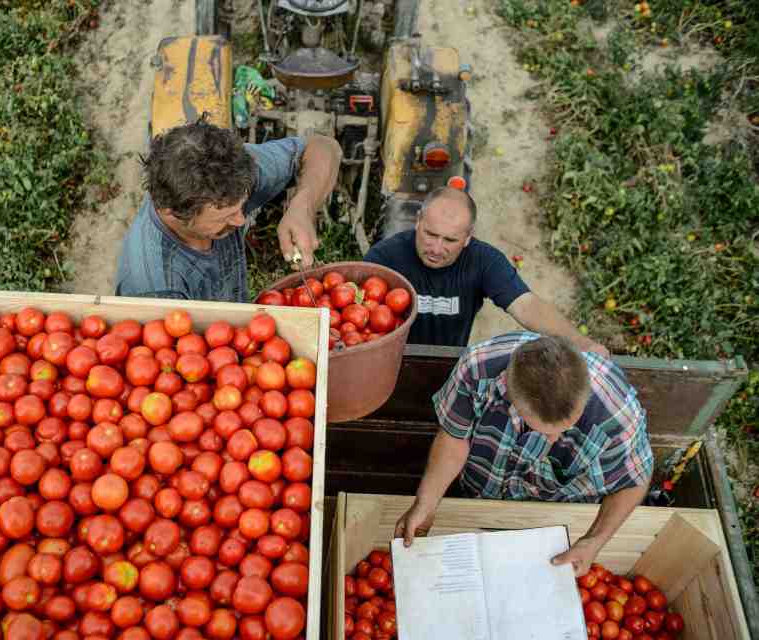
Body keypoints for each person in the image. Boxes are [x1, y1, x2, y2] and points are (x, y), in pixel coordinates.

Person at [394, 332, 653, 576]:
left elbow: (634, 480)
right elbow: (454, 437)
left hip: (557, 518)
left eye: (566, 428)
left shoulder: (618, 411)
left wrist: (593, 540)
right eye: (541, 430)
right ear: (510, 392)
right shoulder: (477, 368)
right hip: (479, 497)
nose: (554, 440)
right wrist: (426, 503)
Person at [115, 116, 342, 301]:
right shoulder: (155, 288)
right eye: (226, 216)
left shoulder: (229, 174)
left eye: (242, 206)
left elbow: (323, 147)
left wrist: (302, 206)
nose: (241, 221)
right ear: (172, 212)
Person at [364, 186, 609, 357]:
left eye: (450, 240)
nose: (436, 249)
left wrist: (581, 342)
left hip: (450, 364)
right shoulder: (385, 257)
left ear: (468, 237)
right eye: (430, 234)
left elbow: (526, 305)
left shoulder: (483, 261)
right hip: (391, 363)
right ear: (418, 221)